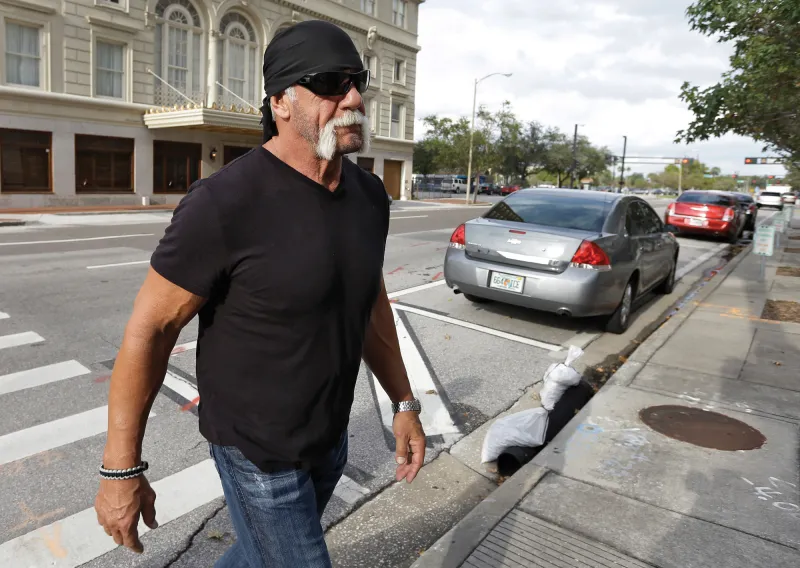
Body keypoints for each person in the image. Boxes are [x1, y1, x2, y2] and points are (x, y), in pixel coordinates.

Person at [94, 20, 426, 568]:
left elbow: (368, 300)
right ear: (281, 103)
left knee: (257, 557)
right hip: (257, 451)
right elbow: (150, 331)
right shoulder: (225, 202)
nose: (353, 99)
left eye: (357, 82)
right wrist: (121, 470)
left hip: (329, 437)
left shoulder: (369, 195)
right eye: (330, 83)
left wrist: (404, 401)